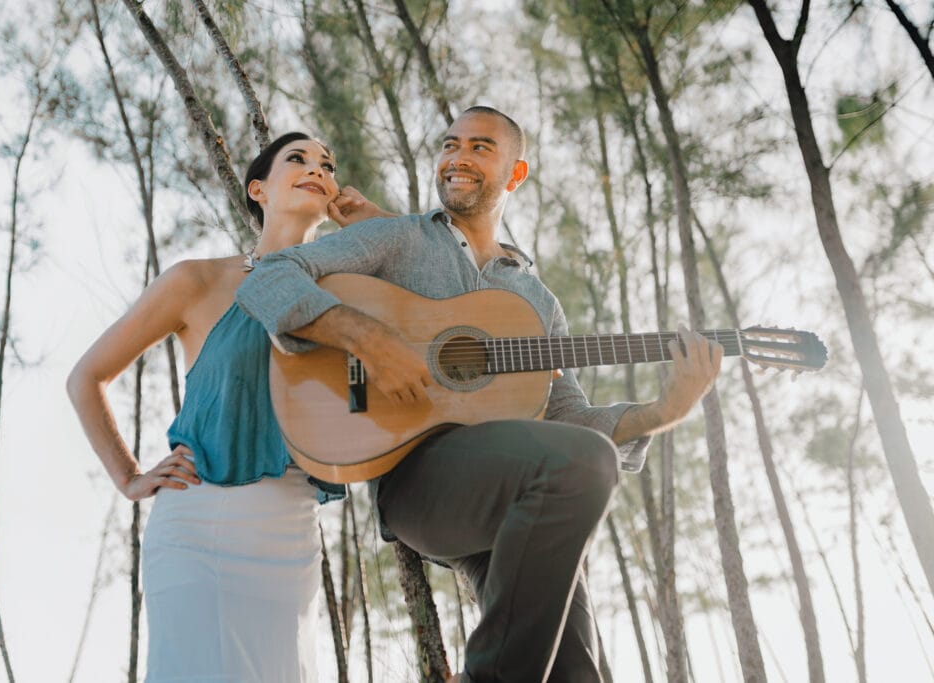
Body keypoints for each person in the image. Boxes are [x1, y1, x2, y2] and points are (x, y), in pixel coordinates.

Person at [237, 106, 722, 683]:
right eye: (450, 144)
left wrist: (663, 412)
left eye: (480, 147)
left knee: (578, 675)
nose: (458, 157)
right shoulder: (398, 238)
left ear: (515, 175)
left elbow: (570, 421)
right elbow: (268, 277)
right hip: (419, 479)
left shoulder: (538, 302)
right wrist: (366, 337)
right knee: (581, 464)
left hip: (522, 501)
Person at [66, 132, 348, 682]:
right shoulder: (196, 281)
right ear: (258, 188)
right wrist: (129, 476)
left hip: (291, 525)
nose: (317, 168)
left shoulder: (347, 295)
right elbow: (86, 377)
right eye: (299, 159)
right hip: (197, 520)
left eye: (328, 165)